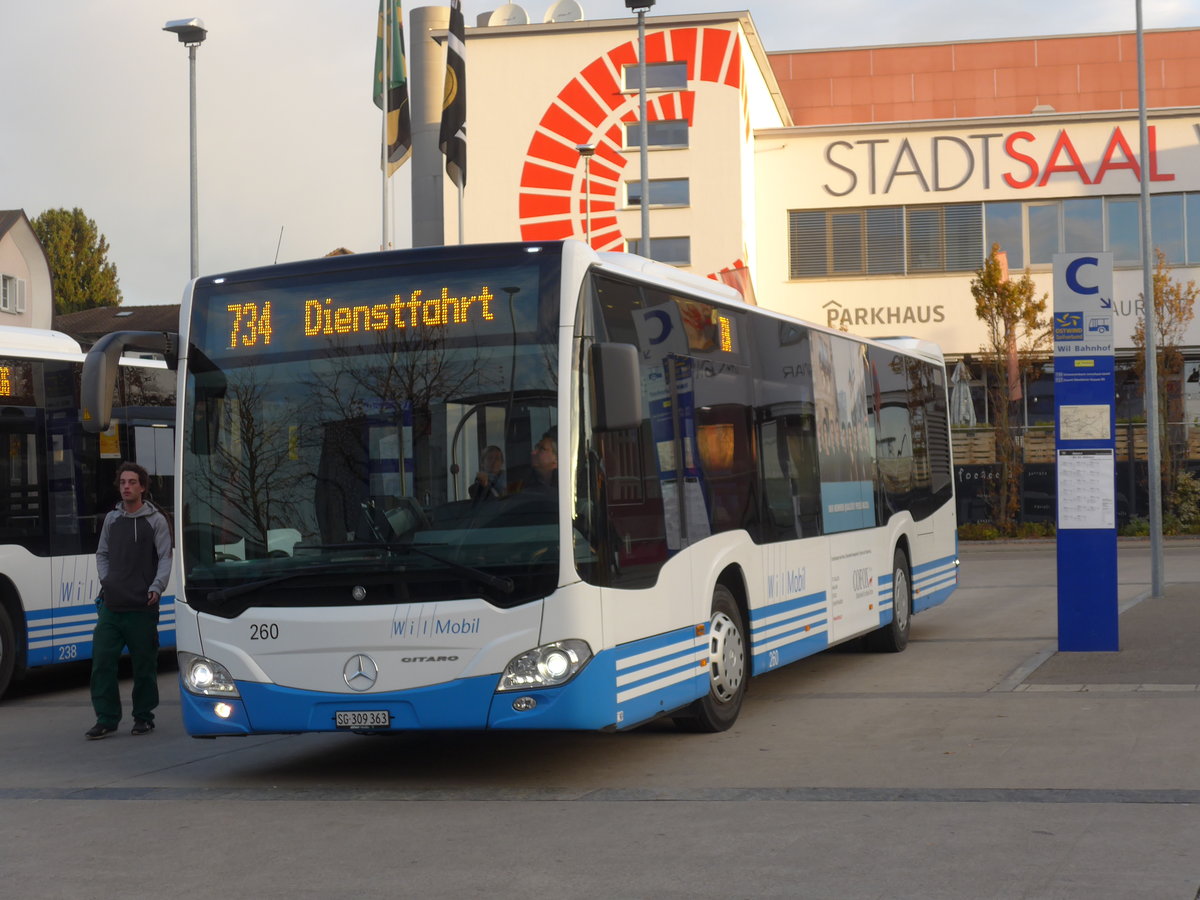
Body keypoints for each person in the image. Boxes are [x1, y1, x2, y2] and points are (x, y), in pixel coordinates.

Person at [86, 462, 172, 740]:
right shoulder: (112, 519)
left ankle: (143, 717)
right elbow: (101, 554)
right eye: (123, 482)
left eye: (132, 482)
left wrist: (157, 587)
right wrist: (106, 581)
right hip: (112, 605)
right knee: (102, 661)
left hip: (141, 607)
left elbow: (165, 558)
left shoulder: (156, 520)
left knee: (144, 666)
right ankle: (107, 718)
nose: (126, 486)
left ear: (143, 487)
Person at [525, 428, 558, 494]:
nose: (533, 452)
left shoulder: (566, 486)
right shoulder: (525, 483)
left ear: (557, 458)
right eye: (536, 447)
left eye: (542, 449)